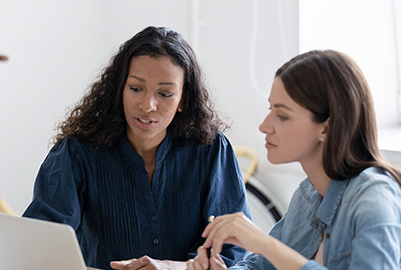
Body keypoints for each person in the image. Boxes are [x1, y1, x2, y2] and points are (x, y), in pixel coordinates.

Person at [23, 26, 250, 270]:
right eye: (135, 88)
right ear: (119, 88)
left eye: (165, 93)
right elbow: (43, 240)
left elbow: (232, 247)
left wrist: (173, 268)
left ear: (183, 100)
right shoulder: (77, 151)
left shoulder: (211, 149)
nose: (147, 105)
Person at [187, 50, 401, 270]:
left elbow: (272, 253)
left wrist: (264, 243)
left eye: (282, 116)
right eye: (270, 109)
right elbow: (263, 265)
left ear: (325, 128)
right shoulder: (307, 194)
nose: (264, 126)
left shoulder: (374, 198)